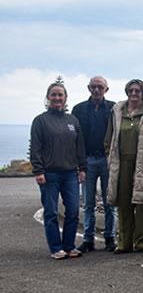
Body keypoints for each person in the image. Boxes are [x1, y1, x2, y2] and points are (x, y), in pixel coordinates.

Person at [106, 79, 143, 254]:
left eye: (138, 91)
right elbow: (110, 137)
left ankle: (142, 242)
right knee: (123, 203)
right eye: (131, 90)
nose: (134, 93)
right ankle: (124, 242)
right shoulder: (117, 111)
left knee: (141, 203)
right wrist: (109, 154)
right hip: (122, 163)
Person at [31, 82, 86, 259]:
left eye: (60, 95)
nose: (57, 98)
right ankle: (56, 248)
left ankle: (69, 246)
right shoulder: (40, 121)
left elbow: (80, 147)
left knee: (72, 211)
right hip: (49, 174)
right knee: (51, 212)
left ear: (65, 98)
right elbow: (36, 148)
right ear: (48, 97)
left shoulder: (72, 120)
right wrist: (38, 171)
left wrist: (82, 168)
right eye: (53, 95)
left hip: (70, 173)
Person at [71, 76, 116, 252]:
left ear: (106, 89)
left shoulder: (114, 108)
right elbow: (74, 138)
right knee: (88, 203)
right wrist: (78, 163)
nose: (96, 90)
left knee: (109, 201)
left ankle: (110, 237)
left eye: (100, 87)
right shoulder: (79, 109)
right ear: (88, 88)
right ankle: (88, 239)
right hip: (87, 160)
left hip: (107, 160)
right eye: (93, 87)